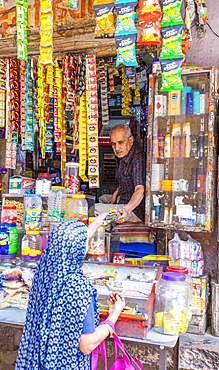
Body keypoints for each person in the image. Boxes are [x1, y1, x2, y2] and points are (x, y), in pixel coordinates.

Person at [15, 216, 125, 370]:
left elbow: (72, 243)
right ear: (80, 249)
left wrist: (97, 222)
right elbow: (87, 345)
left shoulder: (43, 274)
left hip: (34, 362)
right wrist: (113, 316)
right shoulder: (78, 287)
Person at [99, 124, 145, 223]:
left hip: (134, 209)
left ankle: (106, 234)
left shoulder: (137, 159)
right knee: (103, 199)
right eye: (113, 144)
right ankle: (110, 225)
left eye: (120, 142)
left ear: (130, 140)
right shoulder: (124, 156)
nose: (117, 148)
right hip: (123, 199)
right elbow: (125, 179)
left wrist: (126, 210)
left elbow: (140, 190)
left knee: (95, 210)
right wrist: (115, 194)